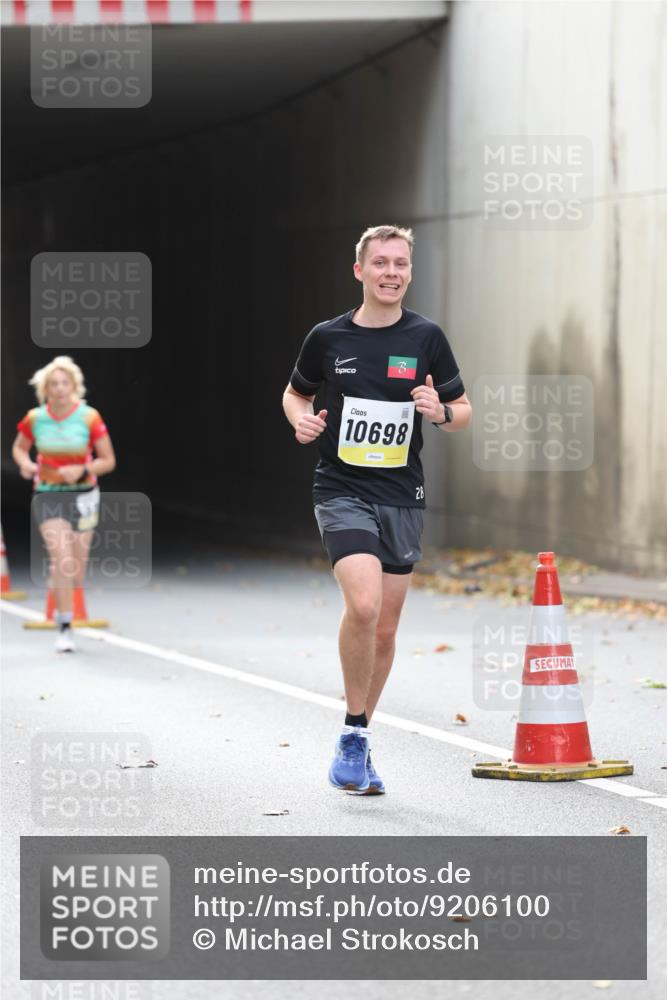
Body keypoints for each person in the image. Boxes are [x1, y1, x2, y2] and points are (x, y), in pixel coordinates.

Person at [282, 225, 472, 795]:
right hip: (341, 489)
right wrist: (300, 420)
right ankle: (350, 736)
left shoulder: (426, 337)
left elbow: (463, 412)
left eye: (401, 264)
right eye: (381, 263)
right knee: (363, 605)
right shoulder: (327, 337)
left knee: (386, 630)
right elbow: (297, 392)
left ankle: (359, 734)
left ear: (409, 272)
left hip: (402, 495)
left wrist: (439, 410)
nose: (392, 272)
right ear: (359, 270)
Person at [11, 356, 116, 653]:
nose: (59, 389)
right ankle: (65, 627)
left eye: (64, 383)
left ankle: (60, 583)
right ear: (45, 388)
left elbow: (108, 461)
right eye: (53, 384)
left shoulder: (89, 417)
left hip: (83, 496)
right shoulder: (35, 418)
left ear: (74, 386)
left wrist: (83, 470)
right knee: (62, 559)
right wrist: (26, 464)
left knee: (76, 570)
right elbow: (19, 447)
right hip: (48, 494)